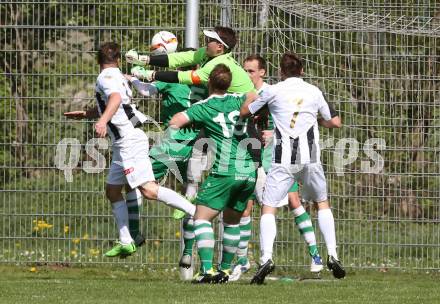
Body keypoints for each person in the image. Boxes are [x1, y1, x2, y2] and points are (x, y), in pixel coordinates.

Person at [64, 42, 195, 258]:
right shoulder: (117, 76)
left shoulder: (106, 77)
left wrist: (102, 121)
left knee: (149, 190)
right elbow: (120, 106)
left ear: (98, 60)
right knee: (113, 191)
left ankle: (195, 213)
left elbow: (115, 100)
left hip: (129, 142)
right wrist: (90, 114)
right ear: (118, 59)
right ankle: (126, 241)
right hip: (124, 141)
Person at [240, 52, 345, 284]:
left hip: (283, 158)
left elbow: (246, 111)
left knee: (268, 208)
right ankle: (333, 254)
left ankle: (266, 257)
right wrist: (314, 120)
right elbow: (334, 122)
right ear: (302, 71)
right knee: (322, 203)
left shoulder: (273, 90)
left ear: (280, 72)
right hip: (311, 158)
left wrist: (250, 98)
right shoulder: (314, 91)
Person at [169, 64, 257, 283]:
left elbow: (176, 120)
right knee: (232, 221)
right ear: (229, 83)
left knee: (200, 217)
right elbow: (255, 95)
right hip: (248, 170)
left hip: (225, 170)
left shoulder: (205, 106)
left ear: (209, 83)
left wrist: (176, 135)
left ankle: (207, 270)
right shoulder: (239, 99)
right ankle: (225, 271)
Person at [125, 26, 254, 94]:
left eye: (210, 40)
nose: (206, 42)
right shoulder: (208, 52)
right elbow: (180, 58)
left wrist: (149, 74)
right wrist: (144, 59)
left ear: (220, 47)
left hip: (248, 106)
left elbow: (184, 77)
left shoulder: (219, 65)